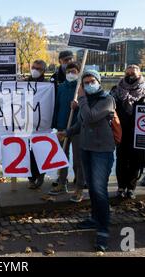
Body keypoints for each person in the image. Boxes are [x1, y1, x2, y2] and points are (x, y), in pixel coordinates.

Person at [58, 70, 116, 252]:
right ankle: (94, 217)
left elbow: (91, 117)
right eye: (85, 82)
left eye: (92, 81)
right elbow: (81, 123)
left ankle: (103, 230)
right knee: (91, 187)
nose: (89, 84)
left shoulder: (107, 99)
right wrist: (67, 132)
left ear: (99, 82)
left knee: (99, 190)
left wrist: (81, 100)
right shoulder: (86, 101)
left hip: (102, 151)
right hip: (86, 148)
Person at [110, 65, 145, 200]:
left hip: (139, 132)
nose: (130, 75)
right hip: (120, 131)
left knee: (136, 161)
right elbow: (110, 108)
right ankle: (121, 187)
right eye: (127, 73)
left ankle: (131, 188)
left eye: (133, 73)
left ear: (140, 74)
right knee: (121, 160)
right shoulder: (115, 89)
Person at [50, 62, 84, 202]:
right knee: (61, 157)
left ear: (78, 72)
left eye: (74, 71)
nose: (71, 74)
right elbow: (56, 106)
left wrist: (79, 105)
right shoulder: (61, 87)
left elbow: (89, 107)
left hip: (77, 128)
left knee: (78, 160)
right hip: (62, 127)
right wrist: (55, 124)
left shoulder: (81, 89)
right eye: (69, 71)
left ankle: (79, 187)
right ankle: (62, 183)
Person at [26, 60, 47, 189]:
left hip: (41, 124)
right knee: (27, 151)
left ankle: (40, 174)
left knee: (40, 150)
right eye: (33, 67)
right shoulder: (24, 83)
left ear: (43, 71)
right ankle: (31, 177)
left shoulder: (48, 85)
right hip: (25, 123)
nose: (34, 70)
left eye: (38, 68)